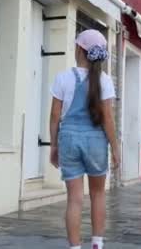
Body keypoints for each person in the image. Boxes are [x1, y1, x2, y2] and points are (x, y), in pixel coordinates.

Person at [49, 29, 119, 249]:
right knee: (98, 195)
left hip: (69, 138)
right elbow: (107, 117)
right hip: (96, 140)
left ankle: (75, 246)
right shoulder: (104, 80)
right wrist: (115, 148)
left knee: (74, 199)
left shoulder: (63, 78)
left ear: (79, 49)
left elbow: (54, 115)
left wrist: (53, 145)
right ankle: (97, 243)